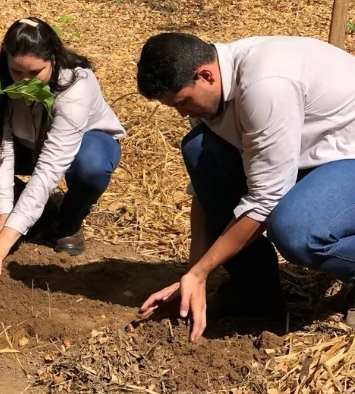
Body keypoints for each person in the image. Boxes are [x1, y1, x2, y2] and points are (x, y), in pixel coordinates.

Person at [136, 33, 355, 340]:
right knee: (199, 149)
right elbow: (204, 191)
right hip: (309, 149)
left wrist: (201, 273)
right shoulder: (211, 88)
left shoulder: (264, 85)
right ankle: (255, 294)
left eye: (183, 102)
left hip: (348, 152)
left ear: (205, 75)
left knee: (296, 231)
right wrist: (192, 275)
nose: (182, 113)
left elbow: (267, 200)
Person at [0, 17, 126, 277]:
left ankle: (68, 222)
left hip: (84, 144)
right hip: (26, 144)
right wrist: (5, 215)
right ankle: (33, 213)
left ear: (53, 58)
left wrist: (5, 241)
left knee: (91, 165)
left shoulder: (76, 84)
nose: (24, 82)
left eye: (35, 73)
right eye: (17, 72)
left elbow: (52, 164)